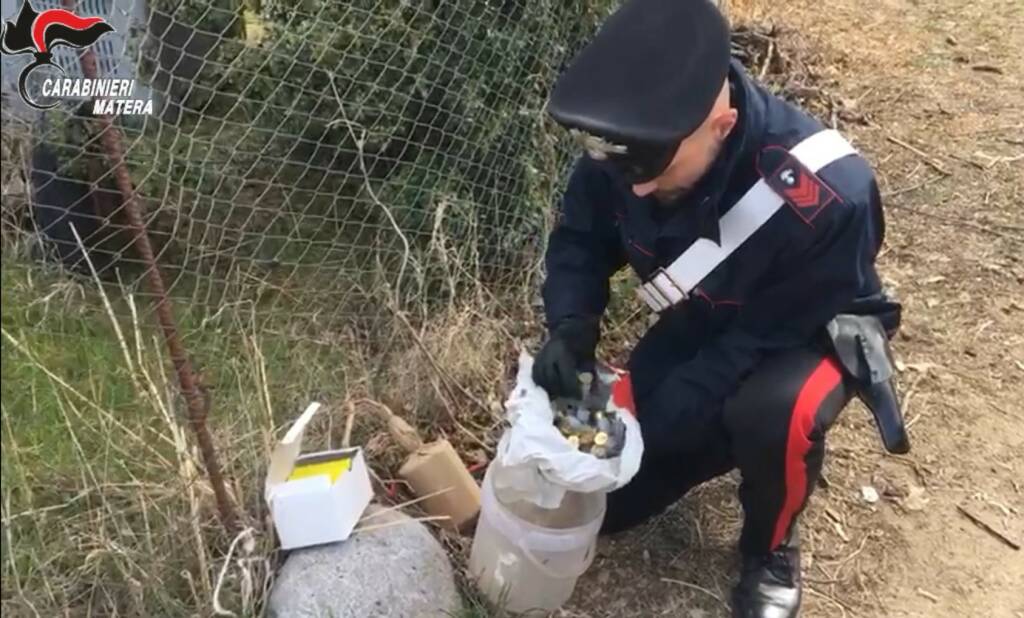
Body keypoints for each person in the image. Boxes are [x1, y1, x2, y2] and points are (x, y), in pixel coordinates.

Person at [531, 0, 909, 616]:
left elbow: (769, 331)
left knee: (771, 416)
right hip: (706, 314)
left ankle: (771, 545)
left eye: (658, 172)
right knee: (615, 503)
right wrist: (571, 324)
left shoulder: (831, 194)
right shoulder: (633, 140)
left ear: (722, 126)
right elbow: (580, 238)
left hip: (805, 327)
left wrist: (695, 393)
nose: (641, 190)